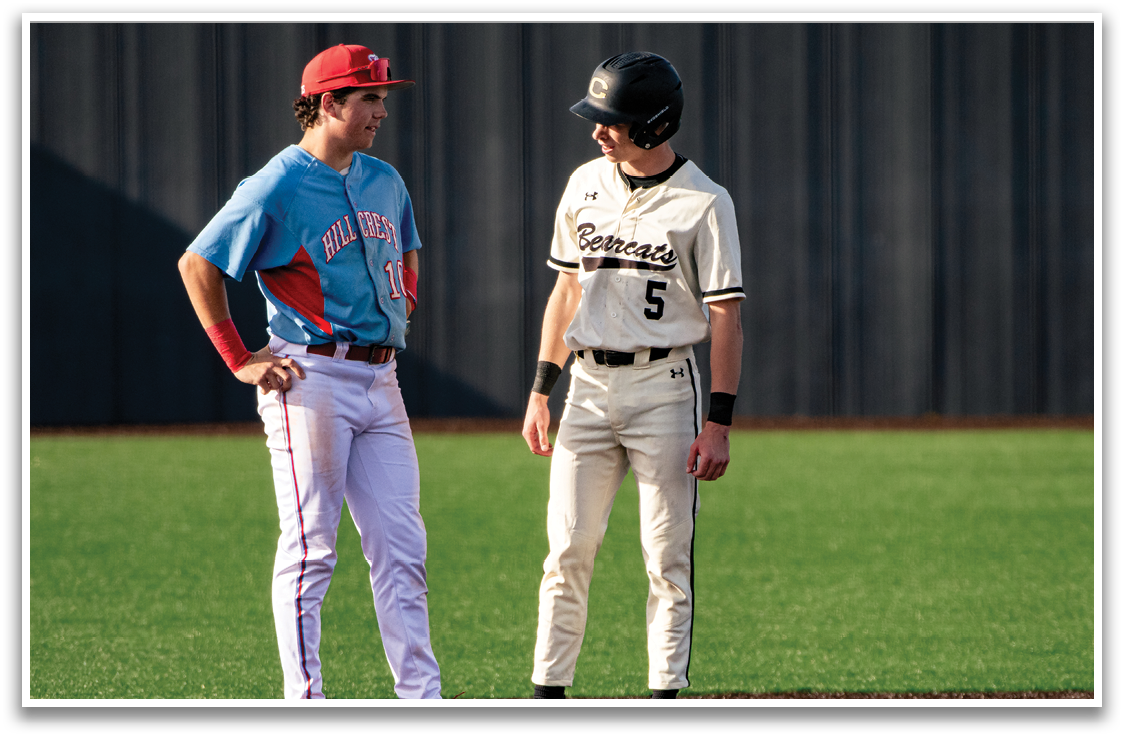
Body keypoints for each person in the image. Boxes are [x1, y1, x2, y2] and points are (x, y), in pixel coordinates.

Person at [177, 43, 441, 699]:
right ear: (328, 104)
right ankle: (306, 701)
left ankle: (423, 700)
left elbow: (407, 250)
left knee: (403, 551)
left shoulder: (385, 179)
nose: (381, 110)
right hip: (310, 381)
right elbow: (198, 265)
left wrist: (402, 299)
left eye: (382, 97)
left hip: (382, 381)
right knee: (311, 549)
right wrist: (240, 358)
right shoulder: (277, 184)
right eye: (369, 98)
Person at [521, 51, 745, 699]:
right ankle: (547, 693)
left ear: (653, 122)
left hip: (663, 390)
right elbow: (567, 290)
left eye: (612, 120)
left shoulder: (705, 201)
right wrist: (542, 389)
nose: (598, 130)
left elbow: (726, 316)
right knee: (566, 551)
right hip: (586, 389)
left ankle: (664, 697)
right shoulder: (585, 182)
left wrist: (719, 422)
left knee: (666, 558)